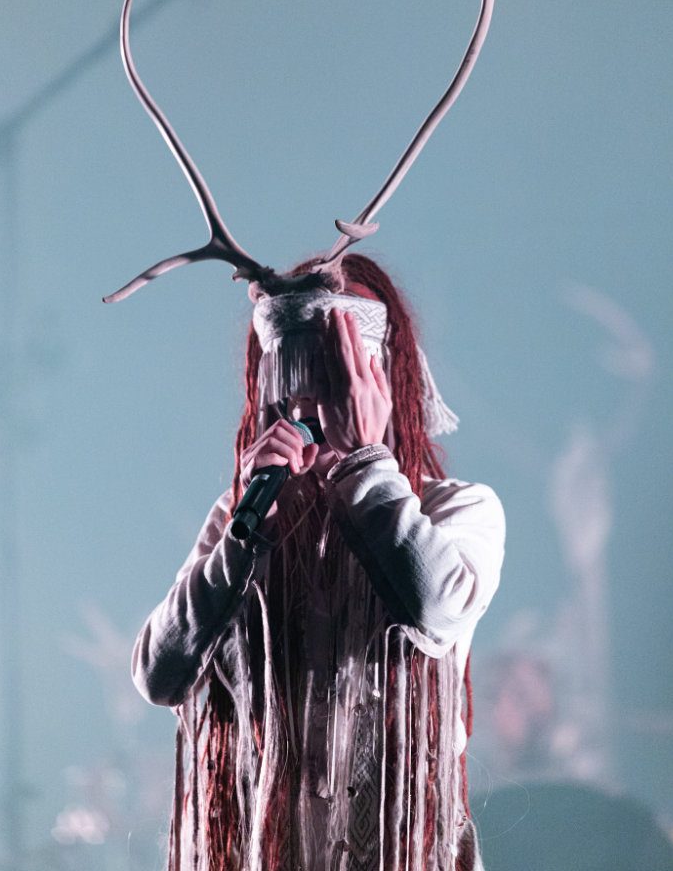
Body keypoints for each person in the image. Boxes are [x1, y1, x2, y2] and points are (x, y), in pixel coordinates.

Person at [130, 253, 505, 870]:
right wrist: (246, 536)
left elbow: (437, 608)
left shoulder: (456, 509)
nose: (311, 407)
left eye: (335, 379)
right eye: (295, 384)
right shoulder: (245, 517)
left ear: (381, 381)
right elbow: (159, 674)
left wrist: (365, 462)